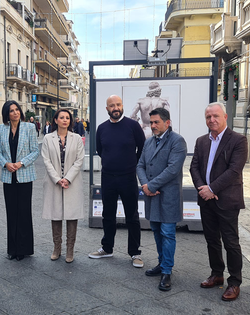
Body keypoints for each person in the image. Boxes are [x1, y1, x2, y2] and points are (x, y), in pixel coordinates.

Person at [189, 102, 248, 302]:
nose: (211, 120)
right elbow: (194, 167)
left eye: (215, 116)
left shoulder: (238, 140)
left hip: (227, 200)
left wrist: (212, 188)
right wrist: (202, 189)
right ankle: (216, 274)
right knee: (211, 240)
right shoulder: (201, 141)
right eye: (208, 117)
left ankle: (234, 282)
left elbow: (234, 170)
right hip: (206, 200)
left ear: (224, 116)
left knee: (231, 242)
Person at [89, 95, 146, 268]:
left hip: (128, 177)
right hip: (108, 177)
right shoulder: (101, 128)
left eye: (118, 104)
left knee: (132, 216)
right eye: (112, 105)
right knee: (108, 214)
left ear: (122, 106)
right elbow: (100, 150)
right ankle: (107, 248)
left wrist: (131, 165)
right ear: (107, 108)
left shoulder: (133, 125)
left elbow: (142, 148)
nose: (115, 108)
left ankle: (135, 252)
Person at [136, 108, 186, 291]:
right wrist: (145, 185)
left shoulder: (177, 141)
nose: (153, 126)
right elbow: (140, 165)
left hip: (168, 196)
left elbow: (172, 170)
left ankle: (167, 271)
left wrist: (151, 186)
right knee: (156, 230)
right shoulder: (149, 142)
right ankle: (161, 263)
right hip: (152, 195)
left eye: (157, 122)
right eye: (151, 122)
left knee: (167, 233)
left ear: (167, 122)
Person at [0, 100, 40, 261]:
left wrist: (20, 163)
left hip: (25, 175)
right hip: (8, 176)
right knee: (11, 212)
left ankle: (24, 249)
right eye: (11, 111)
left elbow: (35, 151)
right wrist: (5, 164)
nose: (15, 113)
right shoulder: (1, 129)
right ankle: (12, 249)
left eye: (17, 110)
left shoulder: (29, 127)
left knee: (24, 212)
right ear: (7, 114)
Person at [42, 109, 85, 263]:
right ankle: (57, 248)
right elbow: (46, 160)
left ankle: (70, 249)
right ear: (56, 120)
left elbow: (79, 160)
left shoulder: (77, 138)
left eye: (67, 118)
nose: (65, 120)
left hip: (71, 182)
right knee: (55, 214)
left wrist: (67, 178)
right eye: (62, 117)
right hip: (54, 181)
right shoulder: (48, 138)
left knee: (72, 215)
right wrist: (57, 179)